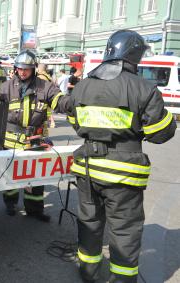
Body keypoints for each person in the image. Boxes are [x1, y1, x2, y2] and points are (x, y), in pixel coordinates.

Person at [65, 30, 176, 282]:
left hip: (88, 169)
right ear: (134, 54)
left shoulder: (83, 84)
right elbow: (160, 133)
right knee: (124, 231)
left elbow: (75, 121)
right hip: (123, 174)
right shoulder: (144, 88)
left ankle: (88, 271)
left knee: (89, 222)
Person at [0, 50, 67, 222]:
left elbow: (58, 99)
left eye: (26, 68)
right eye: (20, 68)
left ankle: (34, 210)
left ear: (33, 69)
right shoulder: (6, 88)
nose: (22, 72)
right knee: (11, 177)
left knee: (36, 178)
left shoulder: (45, 86)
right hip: (11, 142)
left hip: (35, 141)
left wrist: (69, 104)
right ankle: (10, 204)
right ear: (15, 68)